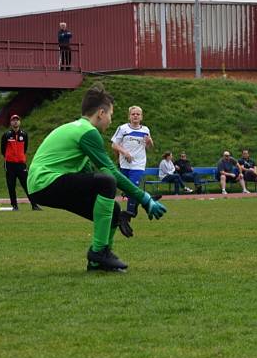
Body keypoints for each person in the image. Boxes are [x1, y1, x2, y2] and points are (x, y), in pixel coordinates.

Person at [27, 85, 167, 272]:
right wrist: (145, 199)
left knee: (114, 210)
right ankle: (99, 252)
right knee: (106, 181)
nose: (110, 120)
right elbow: (110, 171)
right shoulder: (88, 132)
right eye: (110, 114)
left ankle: (97, 262)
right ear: (101, 113)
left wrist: (116, 216)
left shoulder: (76, 129)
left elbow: (86, 172)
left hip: (41, 186)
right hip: (45, 183)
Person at [111, 105, 153, 224]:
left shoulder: (145, 130)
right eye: (133, 114)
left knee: (132, 187)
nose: (135, 116)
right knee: (126, 188)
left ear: (141, 117)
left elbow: (150, 147)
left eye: (138, 114)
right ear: (129, 116)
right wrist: (124, 152)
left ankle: (128, 215)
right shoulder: (123, 129)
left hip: (138, 164)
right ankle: (141, 202)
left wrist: (149, 142)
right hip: (124, 164)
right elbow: (114, 145)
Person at [0, 114, 41, 211]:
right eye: (13, 120)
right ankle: (14, 206)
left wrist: (20, 157)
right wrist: (9, 157)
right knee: (11, 185)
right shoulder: (6, 135)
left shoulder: (24, 134)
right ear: (11, 123)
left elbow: (25, 148)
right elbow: (3, 150)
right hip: (10, 164)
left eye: (17, 120)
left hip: (21, 164)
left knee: (27, 184)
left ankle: (34, 205)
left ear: (19, 122)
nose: (15, 122)